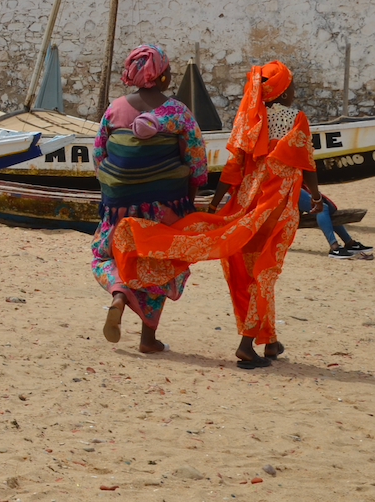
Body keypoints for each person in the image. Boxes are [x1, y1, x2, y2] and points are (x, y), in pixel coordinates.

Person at [112, 61, 317, 369]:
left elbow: (233, 168)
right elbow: (306, 163)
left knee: (253, 272)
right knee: (265, 273)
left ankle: (270, 341)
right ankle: (248, 344)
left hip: (245, 208)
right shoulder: (296, 119)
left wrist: (216, 203)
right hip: (277, 209)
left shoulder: (251, 120)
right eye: (292, 88)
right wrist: (315, 196)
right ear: (284, 92)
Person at [91, 45, 206, 353]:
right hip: (166, 205)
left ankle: (119, 292)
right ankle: (147, 338)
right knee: (161, 264)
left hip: (119, 206)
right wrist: (188, 201)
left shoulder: (114, 109)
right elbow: (196, 160)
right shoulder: (178, 111)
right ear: (163, 76)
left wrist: (113, 194)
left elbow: (99, 154)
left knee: (107, 258)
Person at [299, 189, 372, 258]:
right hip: (291, 188)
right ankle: (334, 247)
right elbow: (309, 175)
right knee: (321, 208)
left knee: (329, 209)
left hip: (293, 186)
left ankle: (349, 243)